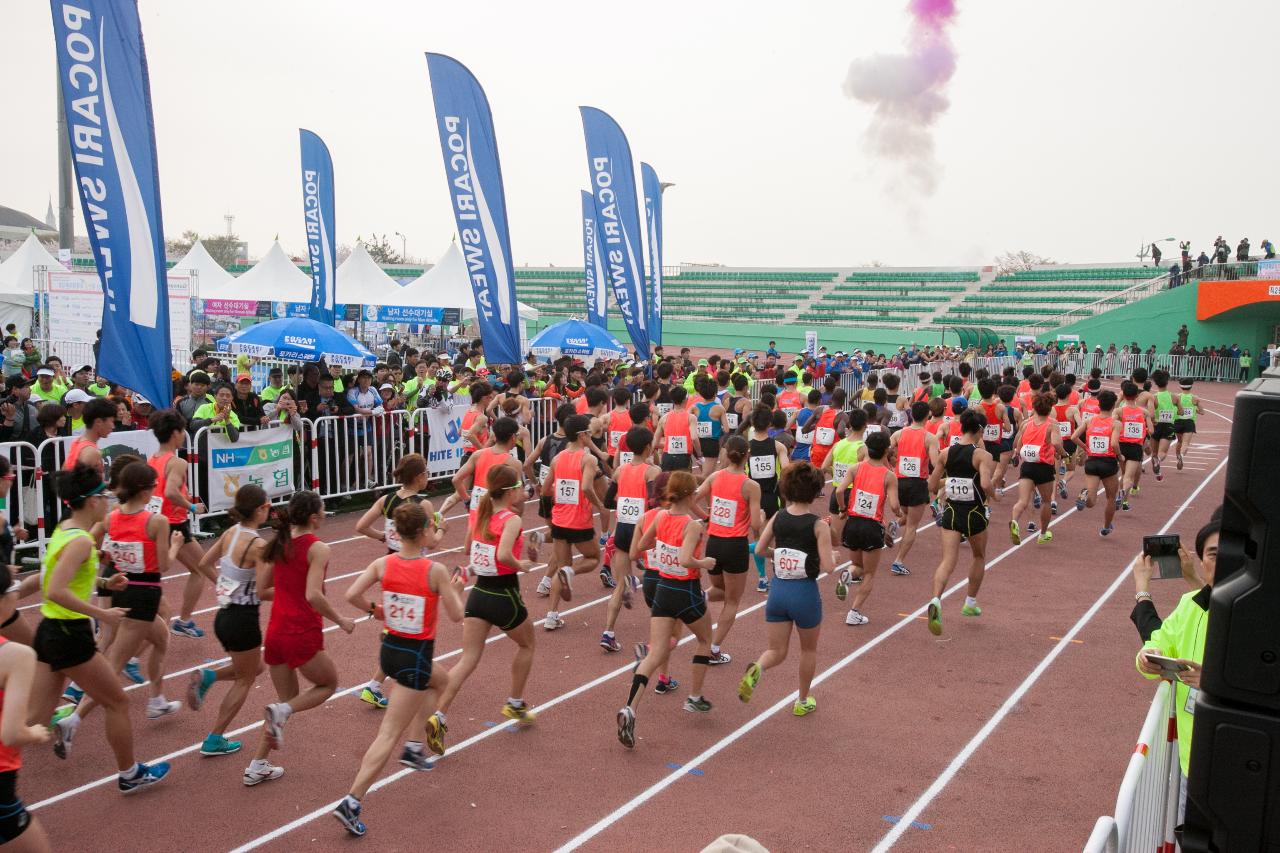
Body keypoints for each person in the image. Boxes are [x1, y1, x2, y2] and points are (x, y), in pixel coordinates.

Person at [28, 465, 171, 790]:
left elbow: (62, 579)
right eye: (104, 496)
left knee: (33, 721)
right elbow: (54, 590)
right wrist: (102, 614)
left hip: (49, 630)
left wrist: (107, 580)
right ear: (92, 501)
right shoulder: (79, 541)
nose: (109, 500)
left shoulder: (65, 530)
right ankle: (129, 774)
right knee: (117, 702)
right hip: (69, 633)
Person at [332, 503, 465, 837]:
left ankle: (415, 747)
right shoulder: (433, 570)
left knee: (444, 680)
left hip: (390, 652)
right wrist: (458, 587)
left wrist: (376, 610)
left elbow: (350, 594)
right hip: (415, 657)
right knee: (388, 733)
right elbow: (457, 615)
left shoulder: (382, 563)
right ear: (422, 532)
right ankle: (351, 801)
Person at [59, 462, 187, 736]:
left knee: (162, 637)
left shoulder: (111, 518)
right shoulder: (158, 522)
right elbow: (164, 565)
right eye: (154, 486)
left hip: (121, 590)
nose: (156, 490)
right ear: (143, 491)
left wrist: (106, 556)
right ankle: (73, 719)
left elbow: (90, 543)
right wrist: (175, 546)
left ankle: (156, 699)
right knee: (115, 663)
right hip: (145, 594)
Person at [423, 465, 538, 757]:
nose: (522, 492)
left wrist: (468, 571)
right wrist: (521, 565)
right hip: (504, 594)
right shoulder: (511, 519)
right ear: (510, 491)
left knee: (468, 659)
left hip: (479, 595)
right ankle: (514, 702)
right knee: (527, 644)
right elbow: (501, 556)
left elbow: (475, 555)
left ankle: (440, 715)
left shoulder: (480, 515)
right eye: (519, 488)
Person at [250, 491, 356, 787]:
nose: (325, 514)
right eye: (323, 510)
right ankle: (281, 714)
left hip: (275, 632)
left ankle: (257, 764)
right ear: (313, 517)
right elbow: (312, 594)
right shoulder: (317, 548)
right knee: (327, 684)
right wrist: (341, 620)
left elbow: (262, 589)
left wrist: (289, 594)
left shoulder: (280, 542)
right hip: (301, 630)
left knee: (286, 702)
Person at [616, 471, 717, 749]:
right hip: (687, 591)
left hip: (662, 591)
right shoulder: (692, 525)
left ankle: (630, 708)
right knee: (705, 640)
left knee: (657, 652)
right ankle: (695, 697)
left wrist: (661, 551)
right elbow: (686, 560)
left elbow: (637, 551)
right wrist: (704, 562)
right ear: (689, 494)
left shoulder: (660, 517)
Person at [1136, 519, 1218, 817]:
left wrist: (1212, 681)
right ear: (1200, 560)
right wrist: (1148, 657)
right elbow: (1157, 640)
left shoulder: (1261, 611)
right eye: (1213, 554)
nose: (1222, 561)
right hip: (1192, 760)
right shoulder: (1190, 604)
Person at [737, 462, 832, 716]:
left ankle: (758, 667)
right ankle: (802, 701)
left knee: (776, 651)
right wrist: (833, 555)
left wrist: (777, 555)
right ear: (815, 492)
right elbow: (829, 566)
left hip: (778, 593)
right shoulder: (819, 525)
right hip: (804, 594)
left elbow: (758, 550)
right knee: (808, 650)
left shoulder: (778, 517)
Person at [186, 484, 273, 758]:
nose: (270, 509)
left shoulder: (230, 533)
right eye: (268, 505)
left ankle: (209, 676)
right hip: (243, 619)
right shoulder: (258, 545)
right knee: (245, 679)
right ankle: (215, 737)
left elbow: (202, 564)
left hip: (224, 616)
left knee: (254, 668)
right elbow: (262, 590)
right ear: (259, 509)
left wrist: (224, 586)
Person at [353, 453, 445, 708]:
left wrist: (382, 538)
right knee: (411, 628)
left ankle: (375, 684)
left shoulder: (386, 499)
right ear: (418, 477)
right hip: (417, 570)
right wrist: (442, 528)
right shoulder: (423, 505)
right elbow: (432, 542)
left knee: (399, 626)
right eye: (426, 472)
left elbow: (361, 526)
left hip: (391, 567)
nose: (428, 476)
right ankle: (388, 681)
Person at [925, 409, 996, 635]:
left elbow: (931, 485)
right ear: (980, 430)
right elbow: (985, 484)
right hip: (974, 513)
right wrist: (995, 495)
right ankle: (970, 603)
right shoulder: (982, 455)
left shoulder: (946, 453)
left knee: (947, 560)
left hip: (952, 512)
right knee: (978, 556)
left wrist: (949, 484)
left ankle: (936, 600)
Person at [695, 436, 762, 665]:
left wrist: (706, 517)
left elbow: (693, 497)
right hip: (735, 546)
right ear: (747, 455)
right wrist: (761, 520)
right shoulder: (751, 486)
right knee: (732, 600)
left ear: (727, 454)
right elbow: (754, 524)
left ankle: (698, 596)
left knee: (718, 589)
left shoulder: (715, 477)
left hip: (713, 543)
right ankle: (713, 649)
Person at [148, 410, 209, 638]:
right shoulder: (177, 462)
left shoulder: (153, 458)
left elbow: (162, 490)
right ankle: (182, 621)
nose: (184, 435)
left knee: (199, 568)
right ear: (175, 433)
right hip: (174, 524)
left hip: (157, 521)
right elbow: (170, 492)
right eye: (183, 431)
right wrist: (192, 506)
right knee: (200, 569)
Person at [834, 431, 902, 626]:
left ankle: (848, 573)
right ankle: (854, 612)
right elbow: (895, 505)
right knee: (870, 573)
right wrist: (898, 515)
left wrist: (842, 509)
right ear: (886, 451)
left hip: (853, 523)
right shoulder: (889, 476)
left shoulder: (855, 468)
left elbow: (839, 490)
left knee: (858, 567)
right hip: (872, 527)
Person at [542, 415, 603, 630]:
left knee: (561, 565)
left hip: (559, 519)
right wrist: (600, 505)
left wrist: (562, 494)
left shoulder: (558, 459)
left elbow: (544, 489)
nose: (590, 435)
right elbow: (587, 487)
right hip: (579, 520)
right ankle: (571, 573)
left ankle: (551, 615)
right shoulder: (588, 459)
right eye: (588, 432)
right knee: (594, 557)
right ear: (581, 435)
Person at [600, 427, 659, 652]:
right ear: (648, 447)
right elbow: (655, 503)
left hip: (623, 529)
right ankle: (659, 636)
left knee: (621, 583)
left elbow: (607, 501)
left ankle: (608, 632)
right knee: (658, 581)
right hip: (644, 532)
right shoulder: (652, 472)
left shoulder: (620, 471)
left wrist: (627, 506)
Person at [887, 400, 940, 576]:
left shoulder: (899, 434)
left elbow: (885, 451)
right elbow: (934, 463)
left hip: (899, 483)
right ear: (927, 416)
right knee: (912, 525)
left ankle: (893, 525)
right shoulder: (929, 438)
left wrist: (891, 466)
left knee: (906, 514)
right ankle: (898, 561)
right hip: (917, 484)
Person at [1008, 393, 1065, 545]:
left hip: (1027, 466)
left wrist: (1016, 454)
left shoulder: (1026, 424)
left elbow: (1017, 443)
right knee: (1046, 501)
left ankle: (1014, 521)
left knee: (1023, 501)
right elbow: (1057, 443)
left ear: (1034, 408)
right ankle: (1043, 533)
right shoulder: (1052, 425)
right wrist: (1063, 454)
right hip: (1044, 467)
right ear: (1050, 408)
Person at [1116, 382, 1152, 513]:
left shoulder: (1118, 411)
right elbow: (1152, 431)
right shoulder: (1144, 412)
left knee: (1124, 474)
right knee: (1129, 478)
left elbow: (1111, 424)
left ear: (1124, 395)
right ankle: (1124, 494)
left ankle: (1124, 500)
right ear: (1137, 396)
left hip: (1122, 446)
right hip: (1136, 447)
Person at [1171, 379, 1202, 470]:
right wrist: (1195, 410)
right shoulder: (1195, 398)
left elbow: (1172, 408)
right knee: (1185, 443)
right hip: (1189, 422)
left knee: (1179, 441)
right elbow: (1202, 411)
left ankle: (1178, 458)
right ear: (1191, 386)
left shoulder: (1176, 397)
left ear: (1180, 386)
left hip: (1177, 422)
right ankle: (1181, 455)